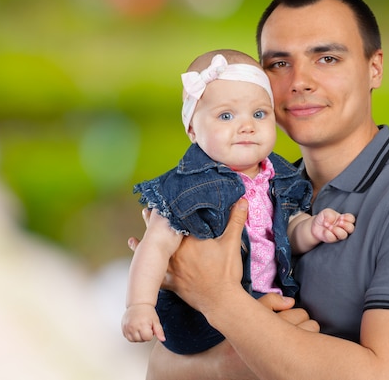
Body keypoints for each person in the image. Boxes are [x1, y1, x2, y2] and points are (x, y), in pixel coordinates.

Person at [130, 0, 389, 380]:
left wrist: (218, 298)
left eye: (327, 58)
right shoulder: (258, 191)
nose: (300, 81)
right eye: (279, 64)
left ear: (375, 67)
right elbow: (160, 368)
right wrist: (225, 353)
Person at [122, 49, 356, 355]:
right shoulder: (187, 188)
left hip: (262, 303)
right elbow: (154, 246)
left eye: (259, 114)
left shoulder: (280, 177)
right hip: (199, 317)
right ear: (192, 129)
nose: (246, 126)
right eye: (226, 116)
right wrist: (139, 305)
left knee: (306, 342)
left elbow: (285, 234)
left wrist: (312, 228)